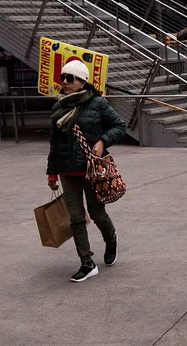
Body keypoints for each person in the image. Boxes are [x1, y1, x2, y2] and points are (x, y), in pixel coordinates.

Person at [46, 60, 128, 282]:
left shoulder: (97, 103)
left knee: (97, 213)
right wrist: (51, 173)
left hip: (92, 169)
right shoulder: (58, 107)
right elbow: (55, 143)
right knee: (75, 217)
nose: (64, 82)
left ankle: (111, 240)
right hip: (66, 170)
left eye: (69, 78)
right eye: (62, 77)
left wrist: (102, 141)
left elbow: (120, 126)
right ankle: (87, 262)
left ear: (82, 81)